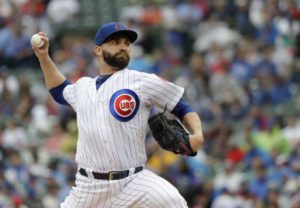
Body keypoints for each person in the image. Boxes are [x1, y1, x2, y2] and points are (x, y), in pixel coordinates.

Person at [32, 22, 204, 208]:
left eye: (127, 43)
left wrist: (197, 134)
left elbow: (182, 107)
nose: (123, 46)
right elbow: (59, 90)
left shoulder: (142, 81)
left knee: (174, 201)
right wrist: (43, 56)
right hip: (89, 187)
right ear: (98, 50)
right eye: (115, 42)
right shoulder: (83, 87)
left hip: (134, 182)